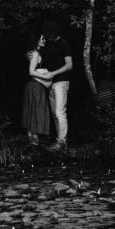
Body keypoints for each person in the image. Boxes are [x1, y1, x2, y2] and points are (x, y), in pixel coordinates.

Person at [40, 20, 73, 149]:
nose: (48, 37)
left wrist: (54, 73)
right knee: (54, 113)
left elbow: (69, 65)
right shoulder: (47, 44)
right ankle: (59, 140)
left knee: (60, 112)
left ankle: (62, 141)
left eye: (49, 34)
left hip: (61, 81)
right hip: (49, 83)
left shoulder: (64, 44)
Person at [21, 34, 54, 144]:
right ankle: (34, 143)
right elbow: (31, 71)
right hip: (35, 86)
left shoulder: (35, 53)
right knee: (35, 113)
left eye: (44, 38)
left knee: (33, 113)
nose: (44, 40)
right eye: (41, 39)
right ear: (36, 40)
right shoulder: (35, 53)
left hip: (35, 87)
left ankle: (33, 143)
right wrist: (46, 76)